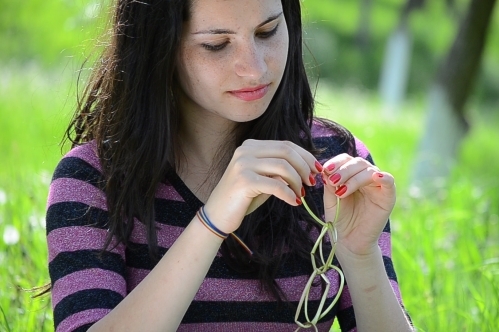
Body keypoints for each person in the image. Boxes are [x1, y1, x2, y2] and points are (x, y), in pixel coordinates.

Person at [45, 0, 414, 331]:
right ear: (159, 45)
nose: (254, 69)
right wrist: (213, 221)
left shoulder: (334, 163)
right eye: (216, 45)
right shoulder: (91, 179)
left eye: (268, 31)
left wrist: (360, 256)